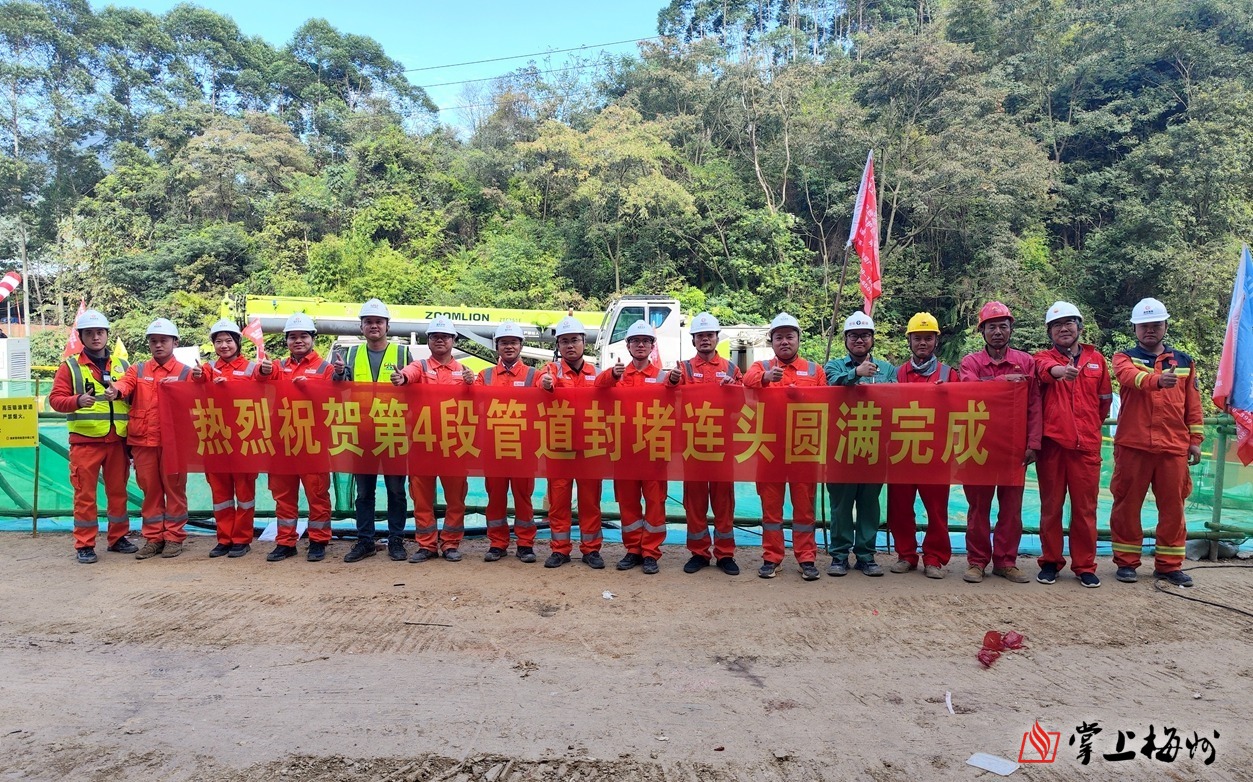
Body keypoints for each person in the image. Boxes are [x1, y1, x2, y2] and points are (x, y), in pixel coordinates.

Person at [1109, 297, 1203, 587]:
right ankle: (1126, 563)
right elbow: (1129, 378)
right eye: (1144, 325)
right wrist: (1157, 381)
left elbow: (1193, 404)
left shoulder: (1185, 362)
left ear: (1165, 327)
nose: (1150, 330)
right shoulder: (1123, 358)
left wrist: (1196, 440)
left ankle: (1169, 565)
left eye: (1156, 325)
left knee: (1173, 508)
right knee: (1127, 506)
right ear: (1135, 329)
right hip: (1133, 445)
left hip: (1173, 447)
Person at [958, 302, 1042, 584]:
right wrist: (1002, 380)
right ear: (982, 331)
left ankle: (1006, 562)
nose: (997, 332)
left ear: (1010, 330)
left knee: (1011, 509)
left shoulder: (1026, 362)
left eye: (1002, 326)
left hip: (1013, 447)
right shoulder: (971, 363)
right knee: (978, 508)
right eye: (991, 327)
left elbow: (1034, 404)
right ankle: (977, 561)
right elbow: (968, 392)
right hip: (978, 444)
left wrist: (1033, 442)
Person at [1033, 302, 1112, 588]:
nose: (1063, 329)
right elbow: (1045, 370)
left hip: (1086, 447)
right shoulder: (1042, 357)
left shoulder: (1097, 360)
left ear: (1079, 327)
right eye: (1057, 325)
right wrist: (1060, 372)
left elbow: (1104, 402)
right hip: (1053, 446)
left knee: (1085, 510)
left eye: (1069, 323)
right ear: (1049, 332)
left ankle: (1085, 566)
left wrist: (1087, 428)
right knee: (1051, 508)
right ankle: (1050, 562)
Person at [48, 309, 136, 564]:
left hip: (117, 441)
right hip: (85, 442)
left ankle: (118, 538)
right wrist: (77, 401)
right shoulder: (70, 367)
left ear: (107, 334)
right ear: (81, 337)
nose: (96, 337)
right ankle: (85, 544)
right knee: (85, 496)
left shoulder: (123, 366)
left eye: (100, 332)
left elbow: (134, 398)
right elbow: (55, 399)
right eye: (89, 333)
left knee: (118, 493)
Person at [743, 312, 826, 581]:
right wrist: (767, 377)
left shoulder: (814, 370)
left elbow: (826, 403)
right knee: (771, 508)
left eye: (790, 336)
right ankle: (772, 557)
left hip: (803, 448)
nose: (785, 342)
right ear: (772, 341)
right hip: (769, 449)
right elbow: (747, 380)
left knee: (804, 508)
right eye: (779, 337)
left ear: (798, 339)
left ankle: (806, 558)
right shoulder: (762, 366)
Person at [108, 318, 191, 559]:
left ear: (175, 342)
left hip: (174, 444)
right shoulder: (138, 369)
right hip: (143, 442)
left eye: (164, 340)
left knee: (175, 490)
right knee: (150, 491)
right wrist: (116, 390)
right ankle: (153, 538)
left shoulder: (186, 372)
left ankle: (174, 537)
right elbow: (125, 384)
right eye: (154, 341)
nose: (158, 345)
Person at [335, 298, 411, 564]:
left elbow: (416, 387)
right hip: (362, 433)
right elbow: (338, 387)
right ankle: (365, 540)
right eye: (369, 322)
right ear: (362, 327)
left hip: (393, 432)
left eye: (379, 321)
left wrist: (404, 381)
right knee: (364, 492)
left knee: (396, 490)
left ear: (387, 326)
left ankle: (396, 539)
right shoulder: (350, 355)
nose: (374, 326)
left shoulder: (403, 354)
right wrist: (338, 374)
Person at [596, 320, 672, 575]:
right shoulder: (617, 376)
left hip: (654, 452)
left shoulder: (663, 377)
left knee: (655, 502)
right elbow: (597, 388)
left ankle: (650, 552)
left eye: (645, 341)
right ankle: (633, 550)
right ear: (628, 346)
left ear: (652, 346)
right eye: (635, 341)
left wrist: (674, 382)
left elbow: (677, 402)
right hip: (625, 451)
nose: (641, 345)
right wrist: (612, 374)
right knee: (628, 502)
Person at [397, 315, 475, 562]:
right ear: (428, 341)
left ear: (453, 341)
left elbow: (477, 404)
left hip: (455, 445)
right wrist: (401, 378)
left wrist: (472, 385)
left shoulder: (464, 372)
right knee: (421, 498)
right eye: (435, 337)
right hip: (423, 444)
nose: (440, 340)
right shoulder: (419, 367)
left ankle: (451, 544)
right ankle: (426, 545)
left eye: (445, 337)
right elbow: (407, 375)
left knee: (456, 498)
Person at [670, 312, 743, 576]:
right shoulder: (683, 369)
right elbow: (669, 396)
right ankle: (699, 553)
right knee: (695, 502)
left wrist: (733, 388)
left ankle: (725, 554)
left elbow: (743, 404)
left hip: (723, 446)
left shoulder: (732, 369)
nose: (705, 339)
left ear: (716, 338)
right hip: (694, 446)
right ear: (693, 340)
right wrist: (672, 381)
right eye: (700, 336)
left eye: (709, 335)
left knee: (724, 502)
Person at [823, 310, 894, 578]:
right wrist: (856, 373)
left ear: (872, 339)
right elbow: (832, 384)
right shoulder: (834, 366)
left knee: (869, 504)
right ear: (845, 339)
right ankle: (839, 555)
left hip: (873, 446)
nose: (859, 340)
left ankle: (866, 555)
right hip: (841, 446)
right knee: (841, 505)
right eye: (853, 335)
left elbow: (899, 397)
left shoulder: (887, 369)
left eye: (865, 335)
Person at [259, 312, 335, 562]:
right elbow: (258, 383)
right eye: (293, 337)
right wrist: (262, 371)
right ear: (287, 341)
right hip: (282, 441)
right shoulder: (277, 367)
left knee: (317, 493)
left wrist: (310, 388)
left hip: (313, 442)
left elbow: (333, 401)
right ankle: (285, 542)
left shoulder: (326, 368)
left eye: (303, 336)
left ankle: (318, 541)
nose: (298, 340)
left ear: (313, 338)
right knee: (283, 494)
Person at [886, 312, 955, 579]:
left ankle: (934, 558)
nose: (922, 343)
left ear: (936, 341)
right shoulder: (897, 373)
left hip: (936, 452)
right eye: (917, 338)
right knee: (900, 507)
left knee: (937, 509)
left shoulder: (949, 374)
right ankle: (906, 555)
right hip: (903, 451)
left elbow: (963, 408)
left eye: (928, 338)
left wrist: (947, 394)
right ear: (910, 341)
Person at [535, 315, 604, 569]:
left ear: (584, 342)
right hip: (559, 449)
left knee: (590, 502)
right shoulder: (551, 371)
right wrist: (545, 385)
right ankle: (560, 549)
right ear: (558, 346)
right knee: (558, 503)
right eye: (564, 341)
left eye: (574, 340)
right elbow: (541, 384)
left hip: (589, 449)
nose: (570, 345)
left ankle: (591, 550)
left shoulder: (597, 373)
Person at [194, 318, 262, 558]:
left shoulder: (252, 369)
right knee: (220, 494)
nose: (224, 345)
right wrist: (196, 376)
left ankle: (241, 539)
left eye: (229, 340)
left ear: (238, 343)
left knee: (244, 494)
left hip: (243, 440)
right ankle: (224, 538)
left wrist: (232, 386)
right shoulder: (207, 368)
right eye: (219, 341)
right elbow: (195, 385)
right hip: (215, 439)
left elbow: (264, 393)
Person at [475, 322, 539, 563]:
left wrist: (549, 385)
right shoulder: (485, 375)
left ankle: (525, 544)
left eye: (513, 342)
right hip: (494, 447)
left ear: (521, 345)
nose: (509, 346)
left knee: (523, 497)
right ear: (497, 346)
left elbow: (550, 392)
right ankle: (497, 543)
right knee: (496, 497)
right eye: (504, 342)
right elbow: (471, 397)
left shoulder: (534, 375)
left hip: (524, 448)